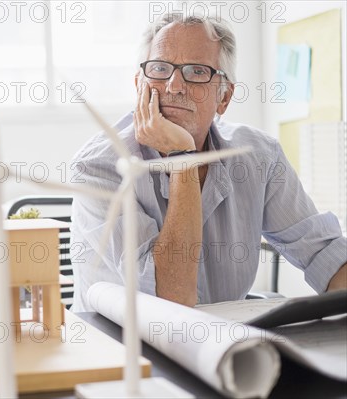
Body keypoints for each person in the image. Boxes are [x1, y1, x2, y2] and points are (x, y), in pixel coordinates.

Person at [70, 13, 347, 311]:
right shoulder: (99, 167)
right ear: (140, 86)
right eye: (160, 68)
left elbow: (324, 254)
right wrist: (183, 158)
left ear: (224, 96)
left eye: (197, 71)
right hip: (122, 348)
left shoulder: (258, 155)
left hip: (225, 343)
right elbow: (172, 299)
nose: (174, 85)